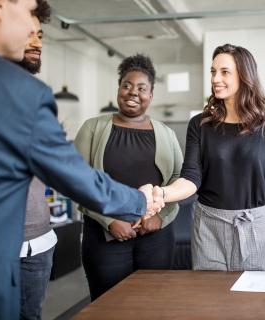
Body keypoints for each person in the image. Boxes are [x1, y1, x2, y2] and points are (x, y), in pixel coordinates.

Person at [0, 1, 162, 319]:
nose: (33, 30)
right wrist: (141, 201)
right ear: (0, 5)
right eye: (27, 11)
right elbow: (79, 179)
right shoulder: (21, 93)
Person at [152, 44, 265, 277]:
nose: (216, 78)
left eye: (225, 72)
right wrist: (161, 194)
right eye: (213, 72)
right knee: (210, 303)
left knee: (253, 305)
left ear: (244, 76)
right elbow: (191, 178)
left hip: (255, 228)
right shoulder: (200, 125)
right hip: (209, 227)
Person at [74, 54, 183, 300]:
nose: (133, 92)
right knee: (108, 304)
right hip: (105, 237)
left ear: (151, 96)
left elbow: (179, 179)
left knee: (152, 303)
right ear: (119, 90)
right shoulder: (93, 128)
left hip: (156, 236)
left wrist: (160, 219)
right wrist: (109, 220)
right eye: (127, 85)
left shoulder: (166, 133)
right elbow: (78, 180)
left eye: (141, 88)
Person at [14, 2, 57, 319]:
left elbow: (58, 167)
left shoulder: (38, 95)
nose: (37, 42)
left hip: (39, 242)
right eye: (29, 34)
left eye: (40, 34)